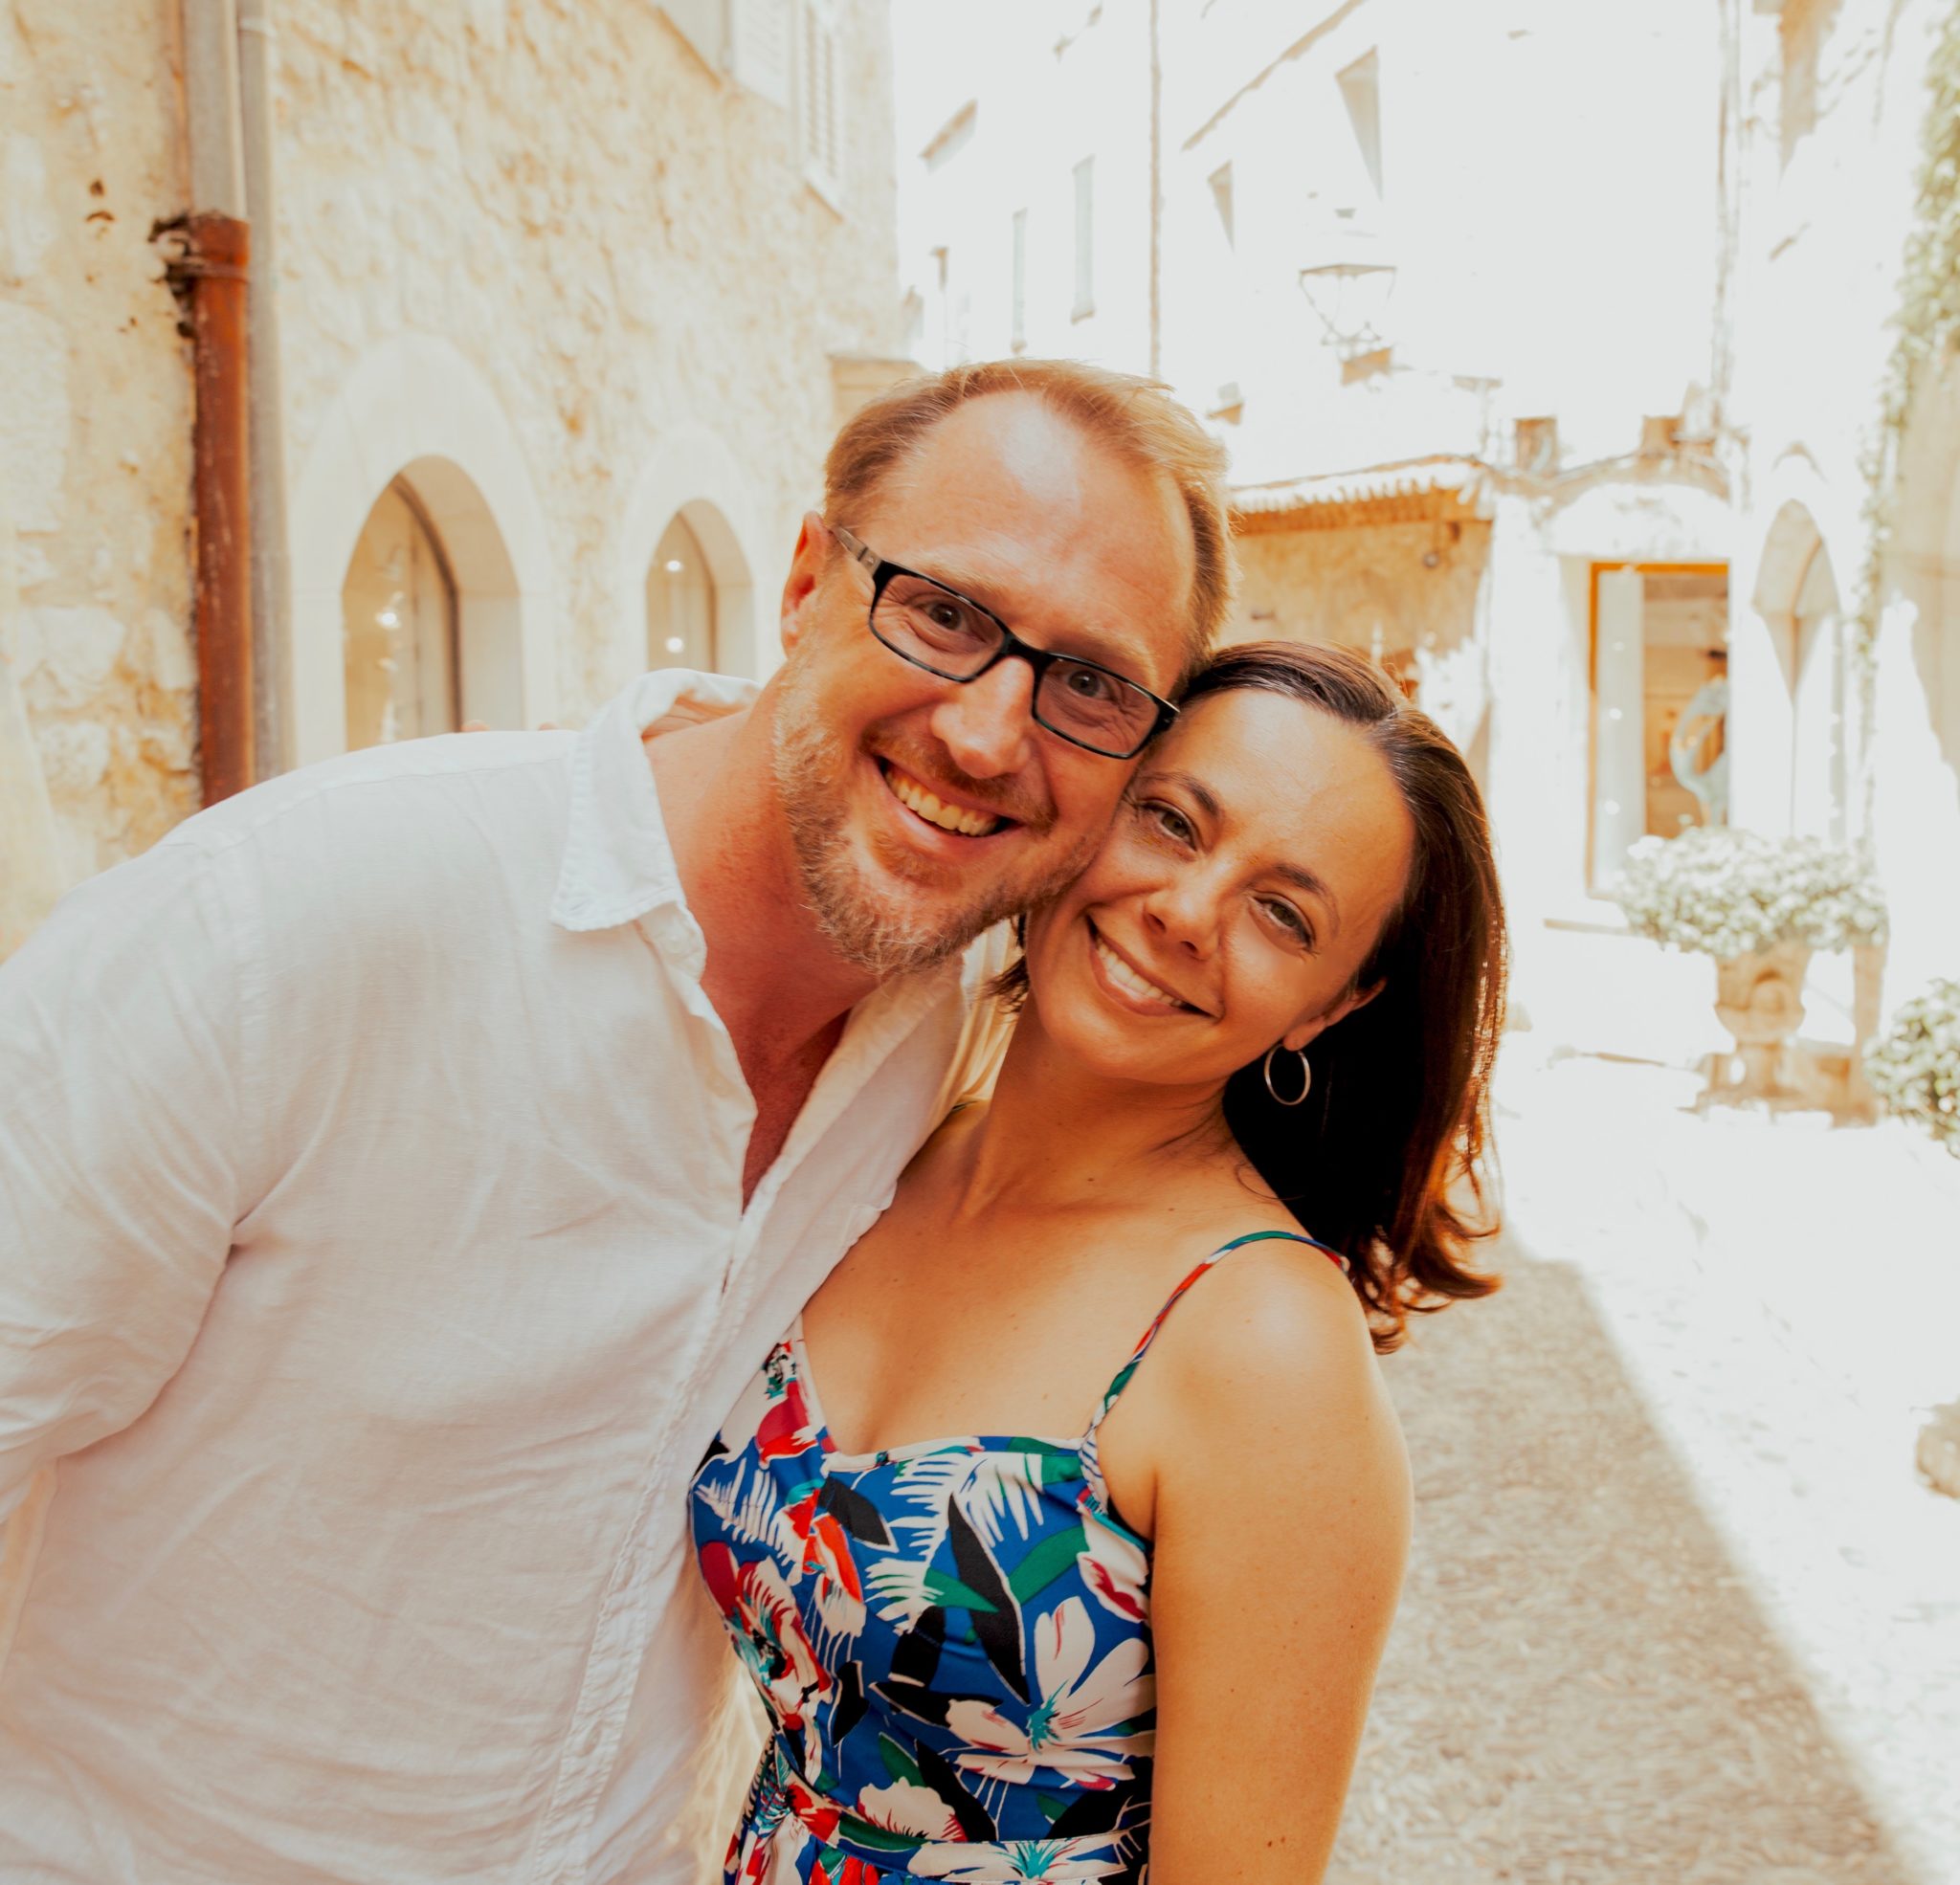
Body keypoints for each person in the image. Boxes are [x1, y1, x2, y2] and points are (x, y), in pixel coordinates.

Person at [0, 361, 1233, 1884]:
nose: (989, 735)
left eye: (1091, 684)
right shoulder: (290, 925)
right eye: (947, 613)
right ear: (803, 582)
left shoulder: (957, 1039)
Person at [689, 642, 1507, 1884]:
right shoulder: (874, 1150)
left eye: (1282, 912)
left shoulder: (1261, 1341)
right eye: (1172, 820)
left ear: (1330, 1006)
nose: (1187, 911)